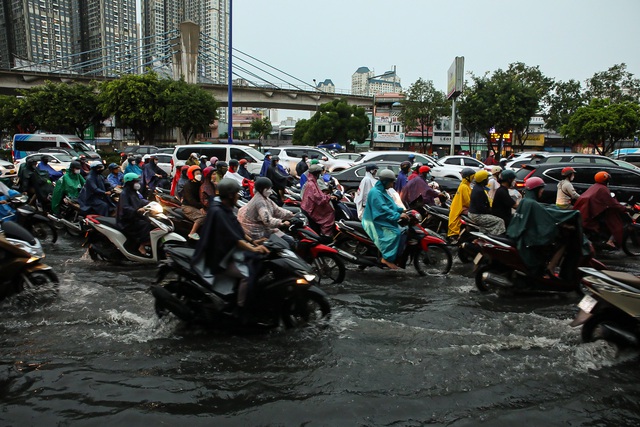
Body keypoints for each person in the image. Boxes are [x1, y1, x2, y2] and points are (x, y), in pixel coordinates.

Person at [191, 179, 269, 312]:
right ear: (230, 195)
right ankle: (241, 307)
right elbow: (233, 238)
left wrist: (253, 241)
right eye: (237, 193)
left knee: (257, 261)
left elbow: (236, 229)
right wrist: (254, 248)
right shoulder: (219, 212)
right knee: (247, 275)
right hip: (219, 255)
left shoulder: (225, 207)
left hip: (230, 250)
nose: (239, 196)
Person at [507, 177, 583, 276]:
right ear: (536, 190)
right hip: (527, 238)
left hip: (519, 233)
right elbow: (547, 218)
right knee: (562, 242)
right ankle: (550, 268)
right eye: (541, 189)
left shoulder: (525, 201)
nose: (542, 192)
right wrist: (565, 224)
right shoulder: (532, 204)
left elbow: (545, 209)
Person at [362, 169, 409, 270]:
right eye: (391, 182)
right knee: (395, 233)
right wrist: (397, 215)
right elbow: (383, 208)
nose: (392, 185)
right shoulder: (376, 193)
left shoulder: (382, 191)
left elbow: (390, 205)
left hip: (382, 217)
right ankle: (386, 258)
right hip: (374, 220)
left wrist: (402, 211)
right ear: (385, 182)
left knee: (403, 230)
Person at [574, 171, 627, 248]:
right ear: (606, 180)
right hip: (592, 213)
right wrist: (624, 208)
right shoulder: (603, 189)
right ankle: (610, 241)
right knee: (616, 223)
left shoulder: (595, 186)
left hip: (587, 211)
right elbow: (612, 203)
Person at [238, 177, 295, 247]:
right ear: (262, 190)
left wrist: (291, 215)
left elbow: (277, 210)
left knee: (289, 239)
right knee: (289, 242)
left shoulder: (265, 198)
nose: (271, 191)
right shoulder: (259, 201)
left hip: (264, 228)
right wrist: (281, 223)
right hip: (257, 233)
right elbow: (267, 220)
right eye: (269, 189)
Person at [116, 173, 154, 256]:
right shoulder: (124, 194)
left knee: (151, 221)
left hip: (134, 216)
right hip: (126, 220)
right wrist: (137, 210)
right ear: (130, 182)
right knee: (146, 224)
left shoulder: (133, 192)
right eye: (135, 181)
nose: (138, 183)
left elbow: (140, 201)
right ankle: (142, 245)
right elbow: (125, 207)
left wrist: (150, 203)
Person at [300, 164, 336, 236]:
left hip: (310, 206)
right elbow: (318, 198)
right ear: (316, 174)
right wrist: (329, 197)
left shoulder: (313, 182)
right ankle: (326, 235)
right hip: (311, 208)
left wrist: (326, 195)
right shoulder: (311, 184)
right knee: (329, 215)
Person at [468, 170, 506, 235]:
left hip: (474, 213)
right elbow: (481, 207)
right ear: (483, 180)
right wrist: (490, 211)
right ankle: (495, 238)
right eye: (487, 179)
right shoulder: (479, 191)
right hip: (477, 215)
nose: (488, 180)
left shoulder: (478, 187)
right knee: (500, 221)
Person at [447, 168, 475, 242]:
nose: (473, 179)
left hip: (460, 207)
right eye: (472, 177)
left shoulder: (465, 185)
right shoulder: (464, 187)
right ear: (467, 177)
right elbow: (467, 201)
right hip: (461, 208)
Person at [181, 165, 206, 240]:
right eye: (197, 174)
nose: (199, 175)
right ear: (192, 174)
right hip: (187, 206)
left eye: (199, 173)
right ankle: (192, 232)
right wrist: (200, 207)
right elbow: (190, 200)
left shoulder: (200, 183)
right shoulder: (188, 185)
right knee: (202, 216)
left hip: (197, 205)